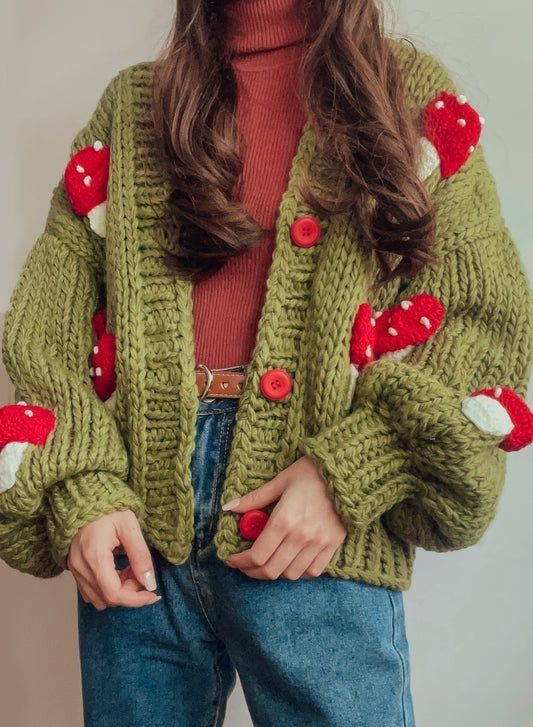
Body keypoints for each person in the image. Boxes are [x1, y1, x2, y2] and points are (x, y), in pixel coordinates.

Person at [1, 0, 531, 725]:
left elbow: (482, 317)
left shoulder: (403, 94)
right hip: (135, 528)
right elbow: (48, 325)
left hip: (316, 526)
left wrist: (352, 470)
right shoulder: (132, 109)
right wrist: (82, 490)